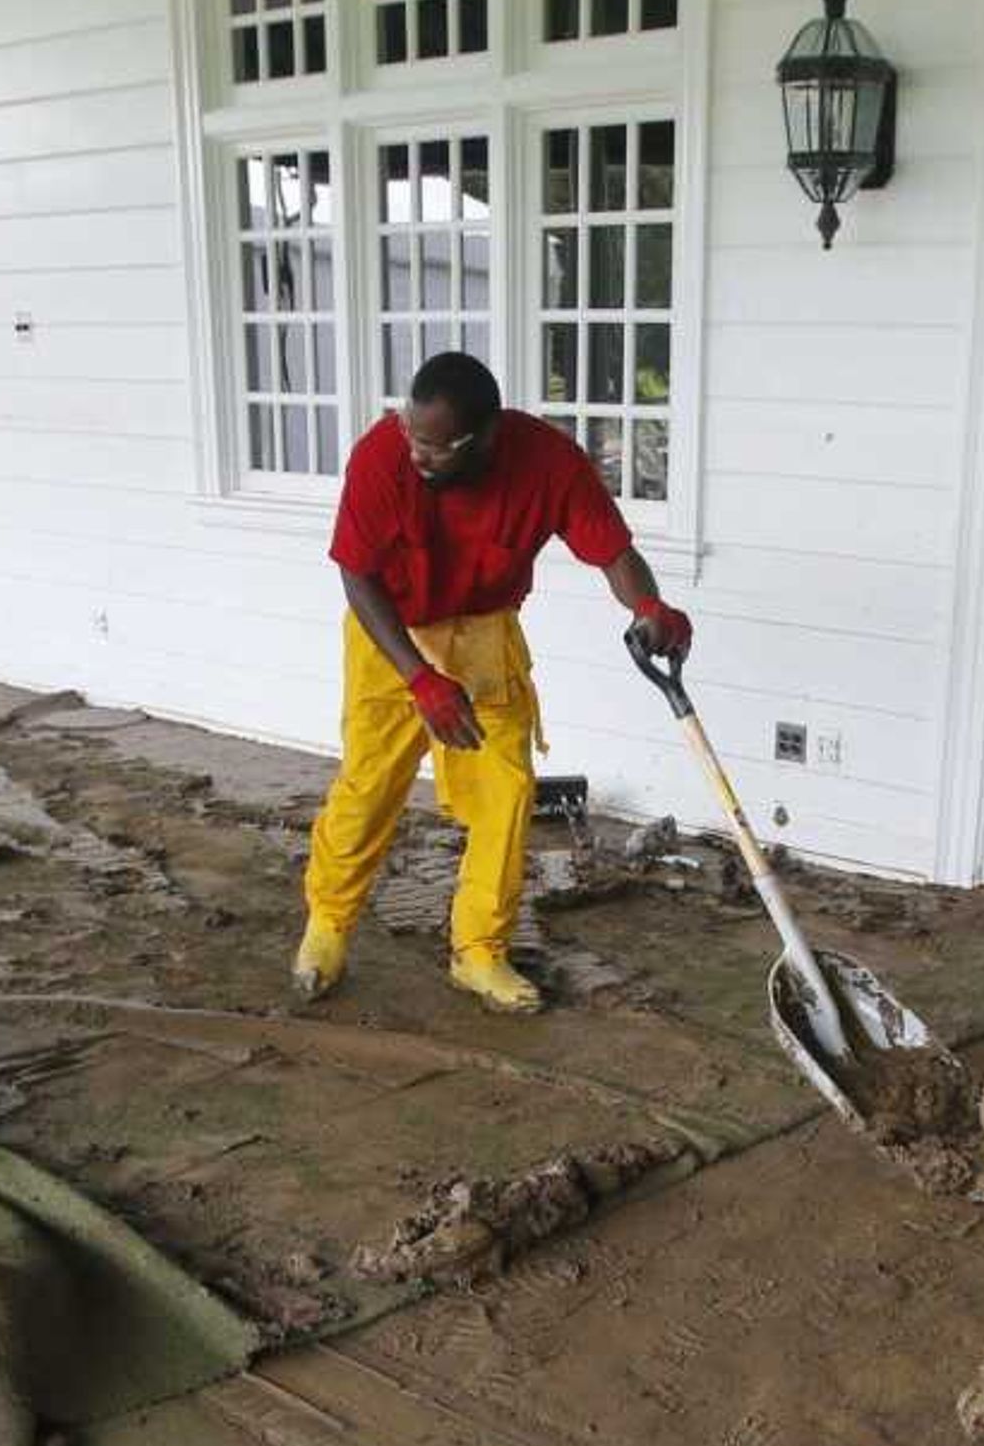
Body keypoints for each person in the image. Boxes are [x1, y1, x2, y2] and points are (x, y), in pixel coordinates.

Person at [297, 350, 693, 1014]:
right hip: (392, 633)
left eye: (438, 447)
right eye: (411, 437)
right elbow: (357, 575)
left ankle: (479, 951)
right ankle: (327, 925)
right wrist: (420, 678)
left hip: (485, 633)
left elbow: (612, 551)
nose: (419, 456)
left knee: (506, 794)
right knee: (370, 787)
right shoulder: (381, 457)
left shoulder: (548, 463)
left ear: (485, 437)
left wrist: (648, 606)